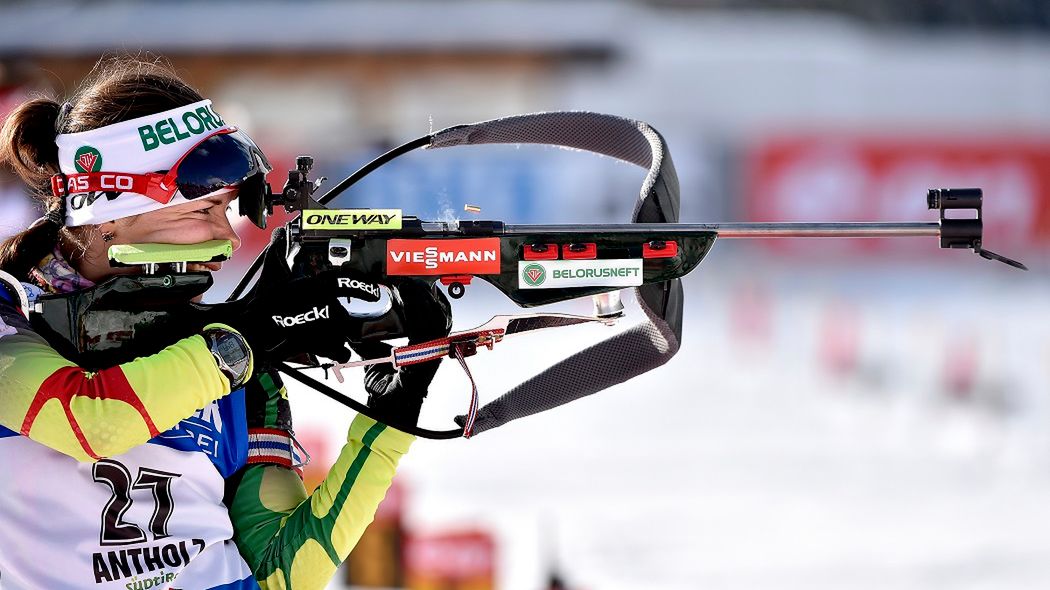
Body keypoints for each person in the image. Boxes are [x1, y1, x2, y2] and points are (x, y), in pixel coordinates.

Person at [0, 57, 449, 589]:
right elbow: (93, 419)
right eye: (202, 210)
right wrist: (256, 335)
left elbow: (282, 572)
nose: (230, 240)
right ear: (109, 211)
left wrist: (392, 416)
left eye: (229, 210)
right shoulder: (12, 325)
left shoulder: (238, 364)